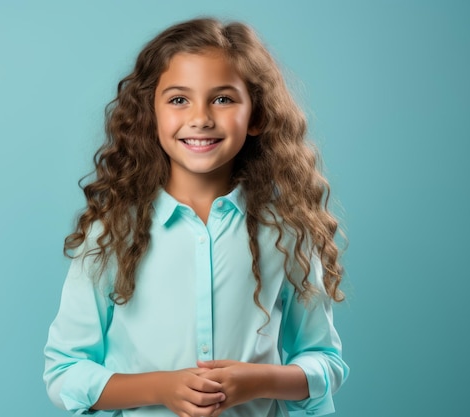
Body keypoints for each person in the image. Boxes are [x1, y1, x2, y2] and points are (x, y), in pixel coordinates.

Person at [44, 17, 349, 417]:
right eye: (178, 99)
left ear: (257, 115)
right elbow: (64, 372)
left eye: (222, 99)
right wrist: (163, 388)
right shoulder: (112, 232)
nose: (201, 118)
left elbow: (324, 360)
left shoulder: (286, 233)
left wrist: (258, 380)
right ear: (149, 114)